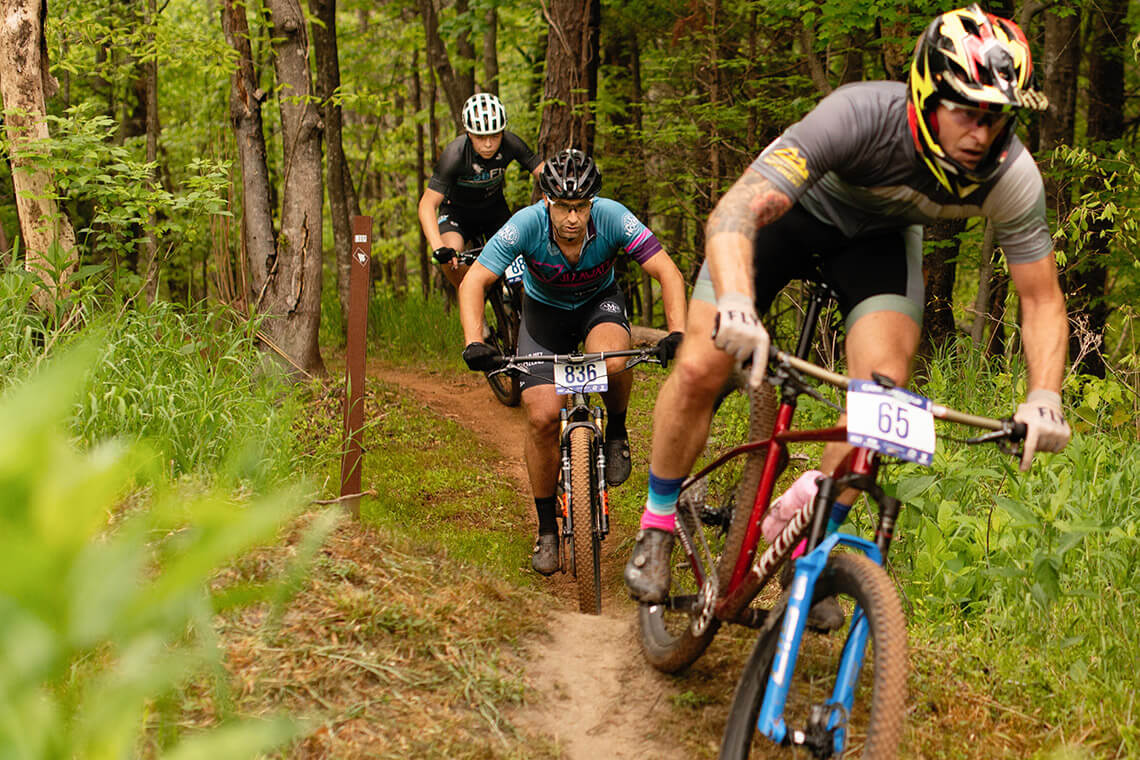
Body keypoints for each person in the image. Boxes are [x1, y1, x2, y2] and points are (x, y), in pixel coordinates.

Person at [623, 4, 1072, 623]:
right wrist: (733, 303)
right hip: (790, 217)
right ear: (925, 95)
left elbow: (1042, 299)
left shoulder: (1011, 177)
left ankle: (807, 547)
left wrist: (1044, 396)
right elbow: (734, 213)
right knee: (703, 363)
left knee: (879, 411)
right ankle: (657, 522)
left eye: (999, 117)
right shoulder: (859, 116)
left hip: (876, 244)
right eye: (967, 111)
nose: (982, 133)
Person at [458, 149, 688, 576]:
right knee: (543, 418)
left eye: (580, 207)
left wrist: (677, 332)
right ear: (547, 202)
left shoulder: (614, 217)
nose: (572, 218)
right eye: (563, 207)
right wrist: (475, 341)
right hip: (543, 317)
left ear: (592, 204)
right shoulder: (525, 225)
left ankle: (616, 431)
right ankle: (547, 530)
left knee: (613, 362)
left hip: (599, 305)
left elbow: (667, 272)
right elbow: (476, 280)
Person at [418, 93, 544, 290]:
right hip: (456, 214)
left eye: (495, 136)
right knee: (451, 258)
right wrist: (438, 247)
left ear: (503, 132)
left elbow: (544, 174)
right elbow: (427, 204)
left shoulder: (511, 143)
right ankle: (471, 298)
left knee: (521, 258)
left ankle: (516, 304)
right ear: (469, 134)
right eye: (480, 137)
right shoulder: (455, 154)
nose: (488, 144)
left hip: (494, 210)